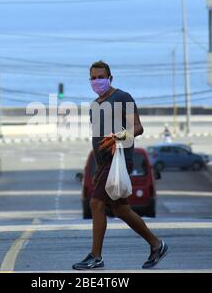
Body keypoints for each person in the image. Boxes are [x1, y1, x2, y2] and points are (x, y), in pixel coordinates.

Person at [72, 61, 168, 270]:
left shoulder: (123, 97)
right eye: (93, 78)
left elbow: (138, 127)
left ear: (110, 78)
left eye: (101, 77)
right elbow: (97, 141)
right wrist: (97, 168)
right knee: (121, 209)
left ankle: (95, 256)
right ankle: (156, 244)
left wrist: (119, 135)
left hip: (120, 158)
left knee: (96, 203)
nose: (97, 81)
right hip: (104, 164)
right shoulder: (94, 105)